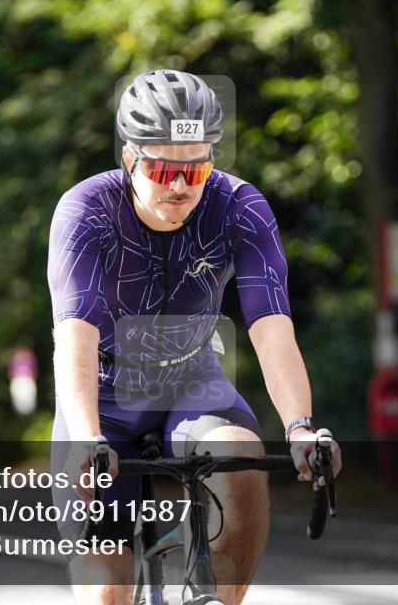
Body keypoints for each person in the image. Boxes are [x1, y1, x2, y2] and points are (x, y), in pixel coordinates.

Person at [47, 69, 342, 605]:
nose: (181, 185)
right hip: (105, 393)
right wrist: (87, 437)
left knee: (242, 464)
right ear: (129, 158)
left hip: (191, 376)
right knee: (105, 593)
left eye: (197, 167)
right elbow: (75, 333)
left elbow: (271, 325)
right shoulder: (85, 210)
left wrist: (300, 428)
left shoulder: (238, 207)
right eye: (162, 168)